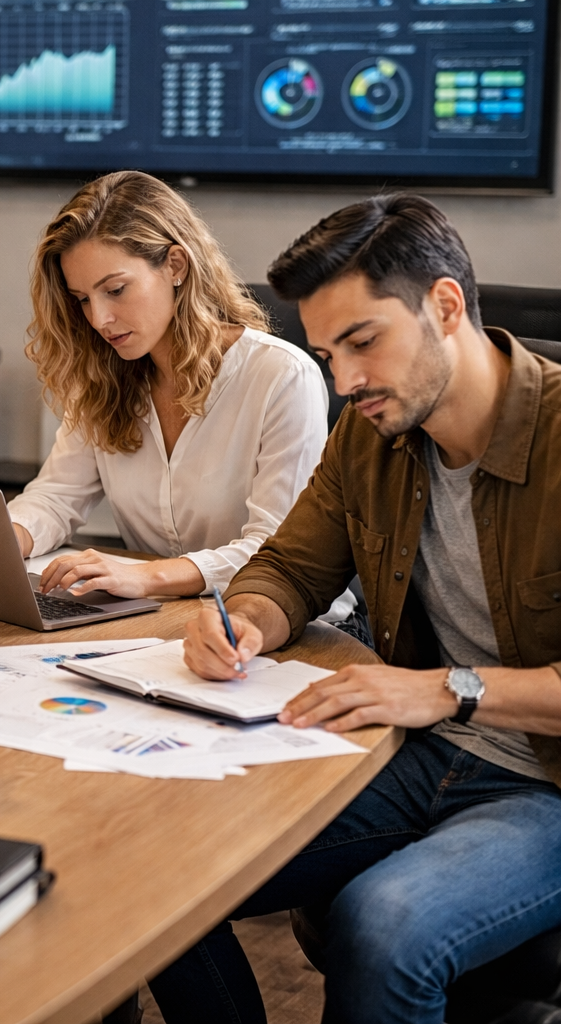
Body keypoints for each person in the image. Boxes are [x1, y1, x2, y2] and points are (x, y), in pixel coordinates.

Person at [153, 194, 561, 1023]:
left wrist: (451, 687)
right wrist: (247, 621)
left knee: (382, 925)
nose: (344, 381)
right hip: (412, 755)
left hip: (545, 784)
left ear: (446, 307)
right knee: (159, 874)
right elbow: (289, 568)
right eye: (326, 353)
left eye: (363, 343)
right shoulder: (368, 435)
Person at [7, 171, 356, 628]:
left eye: (115, 290)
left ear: (175, 265)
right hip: (162, 620)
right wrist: (1, 542)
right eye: (82, 299)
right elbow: (56, 498)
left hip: (296, 631)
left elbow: (277, 551)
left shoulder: (280, 376)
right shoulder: (104, 375)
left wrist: (148, 577)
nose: (100, 318)